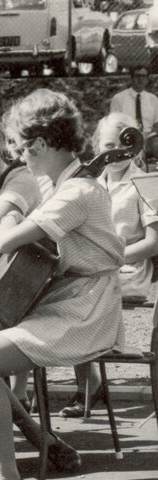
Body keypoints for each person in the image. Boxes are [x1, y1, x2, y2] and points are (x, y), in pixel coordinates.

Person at [0, 89, 124, 480]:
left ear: (41, 145)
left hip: (86, 310)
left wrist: (8, 203)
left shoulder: (75, 192)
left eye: (19, 149)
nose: (18, 159)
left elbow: (7, 239)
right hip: (70, 299)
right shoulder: (62, 185)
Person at [59, 112, 158, 418]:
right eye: (107, 144)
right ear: (96, 145)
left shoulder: (143, 184)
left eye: (121, 144)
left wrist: (111, 258)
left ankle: (88, 385)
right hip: (96, 268)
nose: (113, 152)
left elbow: (153, 243)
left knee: (77, 293)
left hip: (129, 270)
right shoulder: (90, 183)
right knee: (63, 290)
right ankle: (90, 382)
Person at [109, 66, 158, 137]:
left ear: (147, 79)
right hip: (126, 138)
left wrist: (149, 138)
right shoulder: (118, 98)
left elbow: (157, 124)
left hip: (148, 138)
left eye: (143, 76)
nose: (140, 79)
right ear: (131, 78)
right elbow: (114, 124)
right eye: (137, 76)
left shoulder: (154, 99)